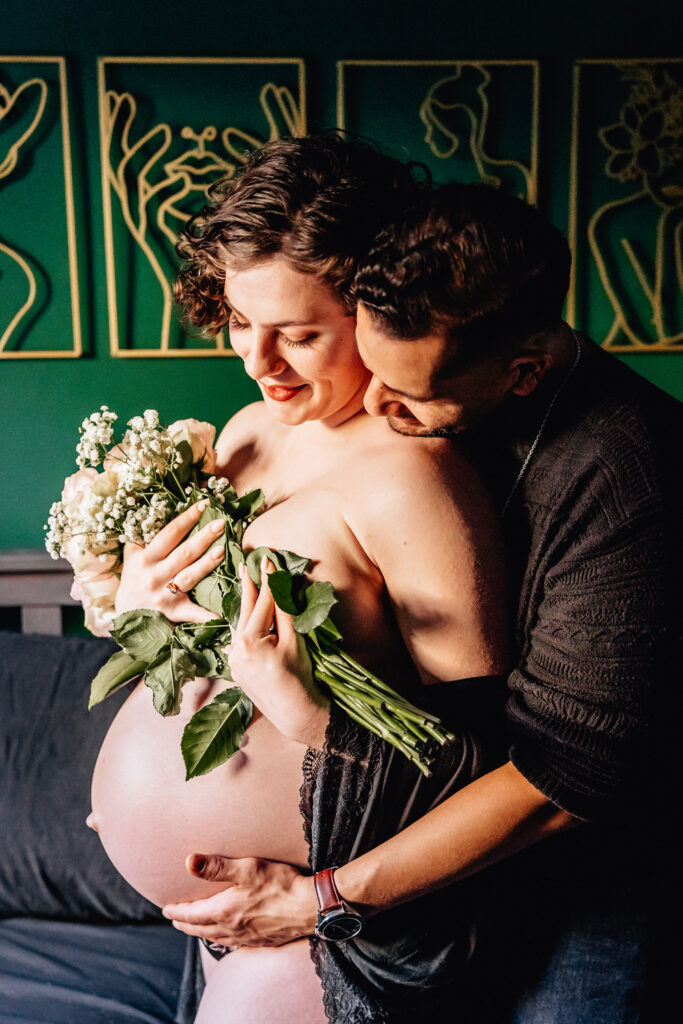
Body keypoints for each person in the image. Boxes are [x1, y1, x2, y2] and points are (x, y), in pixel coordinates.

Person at [162, 181, 682, 1022]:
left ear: (524, 373)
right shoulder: (431, 394)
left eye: (404, 393)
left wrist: (326, 899)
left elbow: (567, 779)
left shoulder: (626, 482)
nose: (373, 405)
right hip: (440, 856)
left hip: (598, 865)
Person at [87, 138, 512, 1024]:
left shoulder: (413, 480)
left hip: (320, 924)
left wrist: (303, 715)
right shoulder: (246, 430)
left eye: (300, 334)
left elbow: (478, 770)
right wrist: (134, 608)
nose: (259, 362)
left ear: (370, 311)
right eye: (242, 321)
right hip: (217, 917)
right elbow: (199, 642)